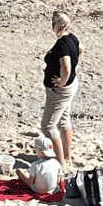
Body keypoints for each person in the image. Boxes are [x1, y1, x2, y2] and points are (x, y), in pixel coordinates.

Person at [39, 11, 81, 168]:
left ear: (55, 26)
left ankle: (60, 161)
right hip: (71, 86)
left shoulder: (62, 46)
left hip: (60, 91)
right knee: (64, 120)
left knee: (48, 126)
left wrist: (62, 81)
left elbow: (67, 67)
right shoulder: (72, 38)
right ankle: (67, 155)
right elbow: (81, 49)